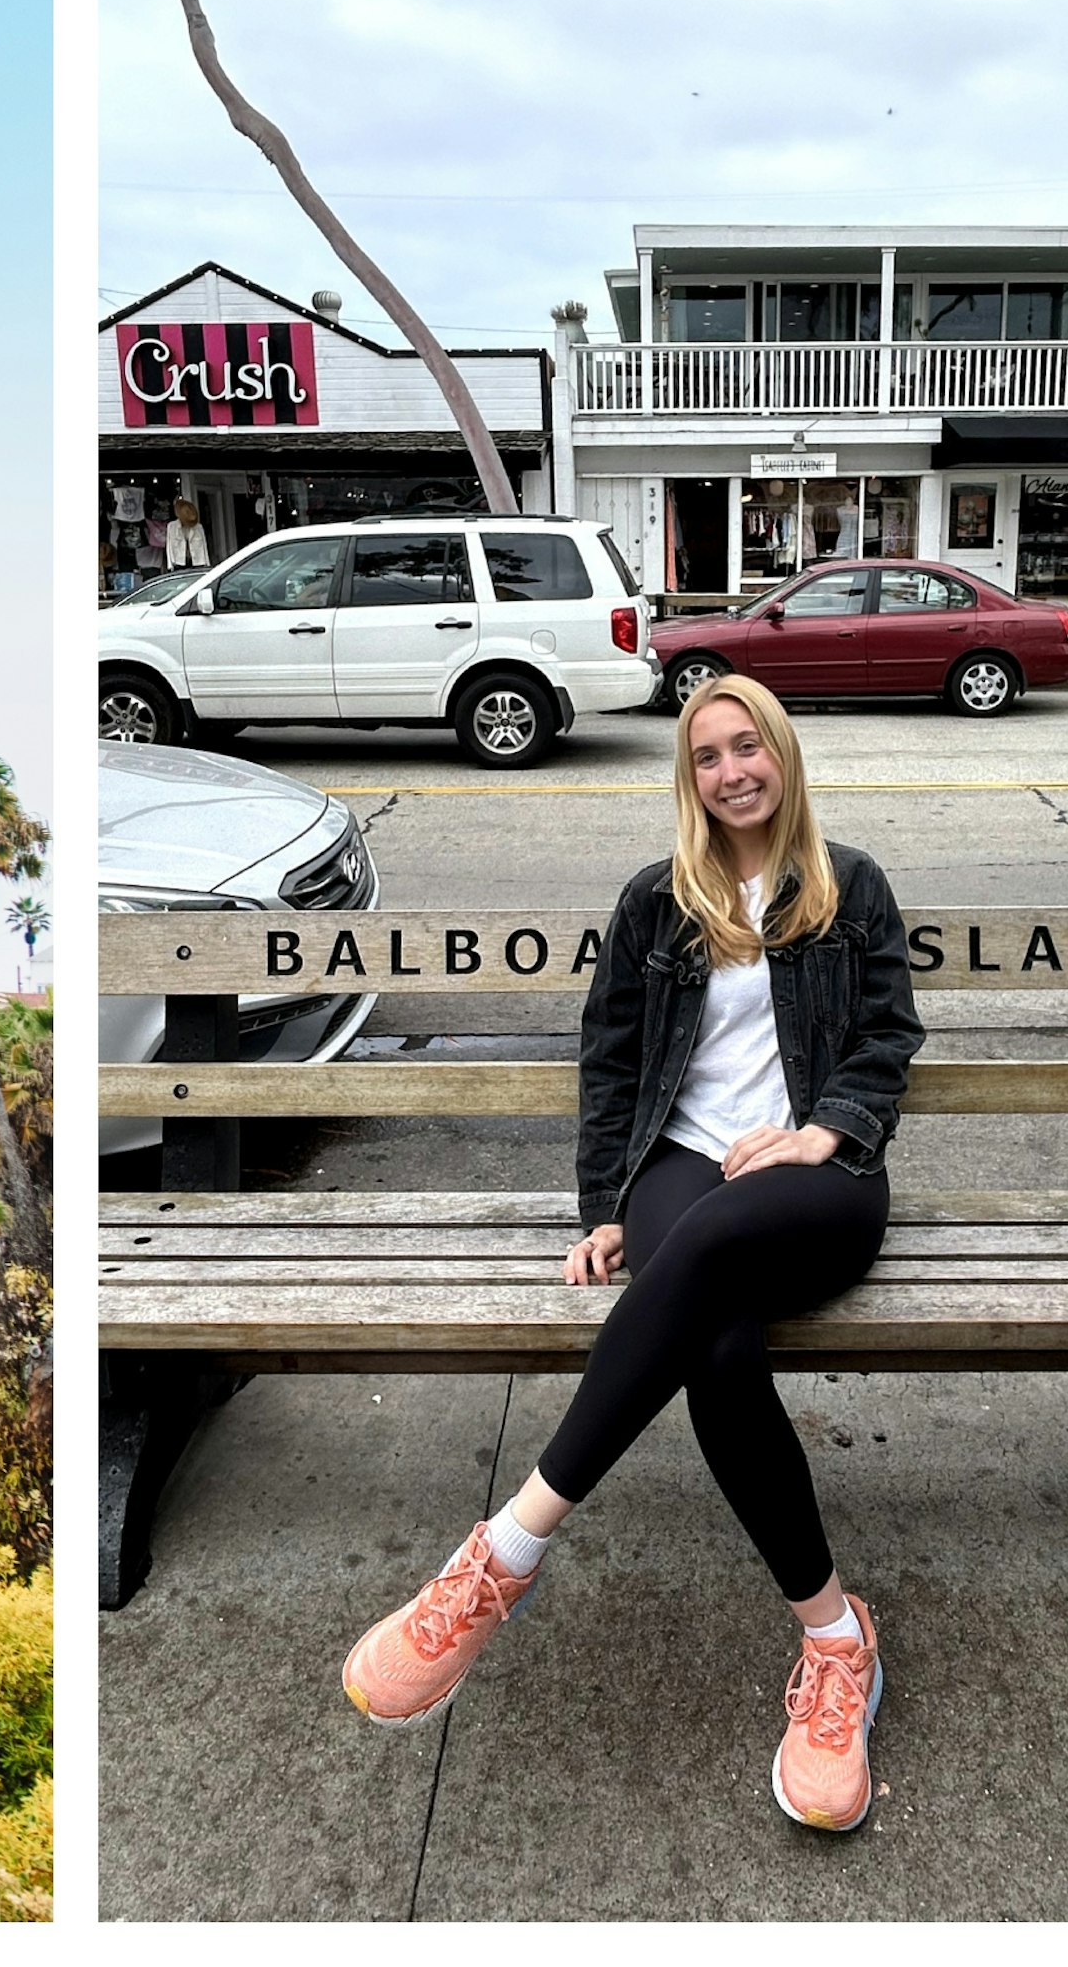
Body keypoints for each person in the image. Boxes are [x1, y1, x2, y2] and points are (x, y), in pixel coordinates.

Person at [338, 675, 922, 1834]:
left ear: (782, 753)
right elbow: (612, 1064)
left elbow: (890, 1033)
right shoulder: (658, 902)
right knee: (714, 1347)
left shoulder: (849, 885)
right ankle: (835, 1640)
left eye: (748, 745)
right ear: (689, 778)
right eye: (707, 755)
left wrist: (822, 1128)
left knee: (699, 1270)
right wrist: (608, 1201)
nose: (731, 770)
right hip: (679, 1168)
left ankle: (502, 1554)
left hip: (820, 1180)